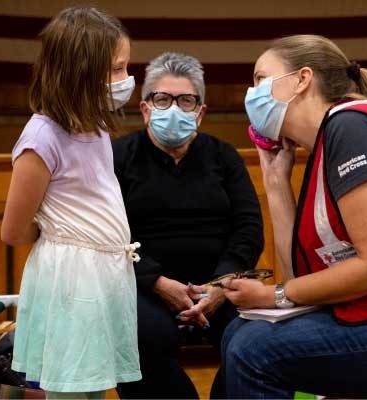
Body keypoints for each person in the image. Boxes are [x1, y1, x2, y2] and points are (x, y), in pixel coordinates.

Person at [217, 34, 367, 398]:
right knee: (239, 334)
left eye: (259, 79)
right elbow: (303, 280)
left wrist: (273, 295)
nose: (251, 94)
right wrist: (275, 180)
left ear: (302, 79)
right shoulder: (328, 142)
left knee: (253, 351)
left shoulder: (352, 127)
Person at [1, 7, 141, 399]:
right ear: (78, 70)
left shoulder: (96, 128)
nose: (124, 80)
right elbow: (13, 230)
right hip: (69, 282)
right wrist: (63, 234)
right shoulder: (41, 138)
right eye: (115, 69)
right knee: (69, 391)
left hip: (101, 277)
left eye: (125, 67)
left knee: (93, 388)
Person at [113, 52, 264, 399]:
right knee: (139, 338)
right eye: (163, 99)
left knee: (255, 340)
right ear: (145, 107)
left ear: (201, 111)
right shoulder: (118, 155)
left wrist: (220, 285)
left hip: (222, 286)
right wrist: (156, 282)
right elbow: (110, 233)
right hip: (144, 288)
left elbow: (248, 227)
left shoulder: (224, 156)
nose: (174, 108)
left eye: (186, 101)